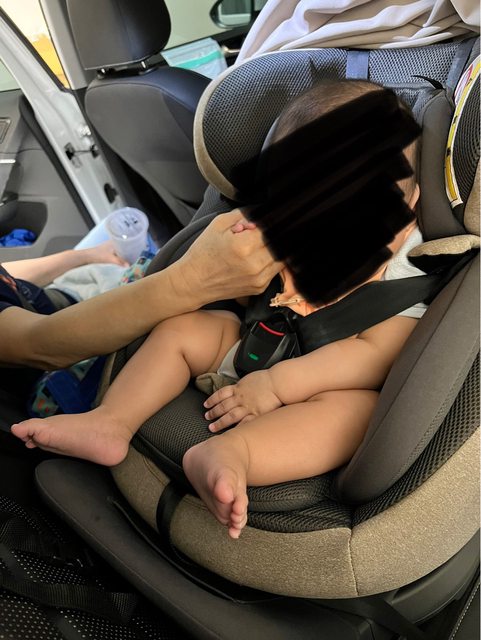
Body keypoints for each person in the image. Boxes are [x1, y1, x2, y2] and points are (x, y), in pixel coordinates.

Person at [11, 80, 425, 540]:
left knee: (357, 413)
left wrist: (278, 385)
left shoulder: (404, 269)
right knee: (182, 330)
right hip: (249, 346)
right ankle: (111, 422)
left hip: (319, 387)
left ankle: (236, 454)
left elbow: (374, 354)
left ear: (409, 205)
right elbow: (247, 292)